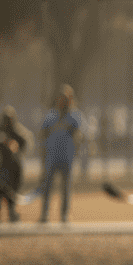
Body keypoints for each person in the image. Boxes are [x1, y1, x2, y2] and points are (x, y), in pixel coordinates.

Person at [38, 85, 82, 223]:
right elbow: (43, 134)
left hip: (66, 156)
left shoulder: (74, 116)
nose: (62, 101)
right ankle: (44, 214)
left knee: (65, 187)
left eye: (65, 99)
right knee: (47, 186)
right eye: (61, 98)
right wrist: (43, 153)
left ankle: (64, 214)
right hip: (51, 156)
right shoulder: (51, 116)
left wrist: (76, 151)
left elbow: (79, 136)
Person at [0, 106, 30, 222]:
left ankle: (12, 213)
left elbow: (25, 143)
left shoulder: (17, 131)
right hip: (1, 167)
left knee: (12, 193)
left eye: (9, 119)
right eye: (5, 119)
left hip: (14, 167)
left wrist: (16, 148)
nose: (7, 121)